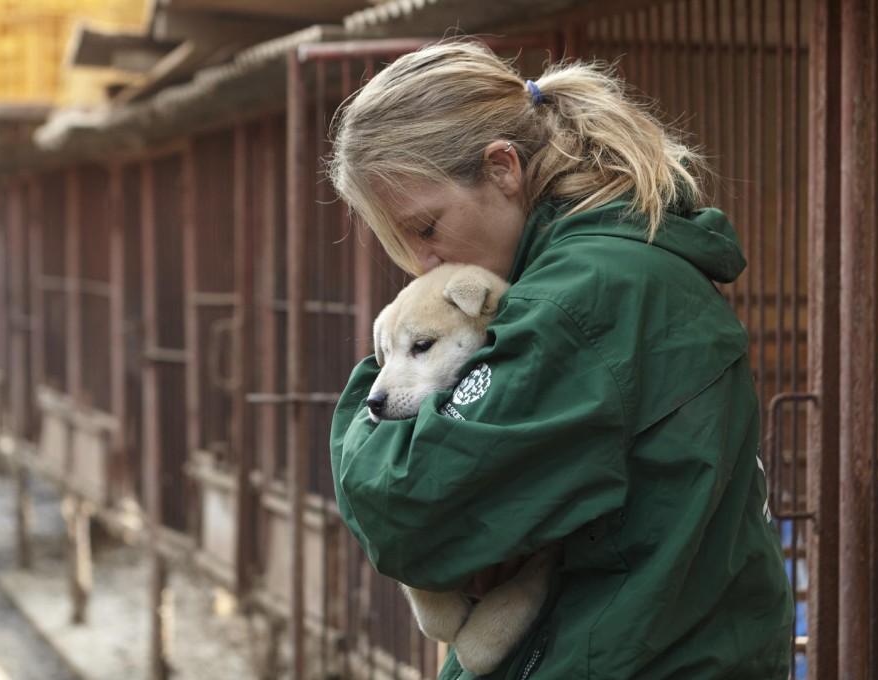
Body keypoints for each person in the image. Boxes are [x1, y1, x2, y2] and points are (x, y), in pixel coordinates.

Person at [327, 39, 793, 680]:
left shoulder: (581, 298)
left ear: (501, 169)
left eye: (427, 227)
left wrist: (366, 397)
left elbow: (406, 509)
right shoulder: (610, 265)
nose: (421, 264)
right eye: (401, 240)